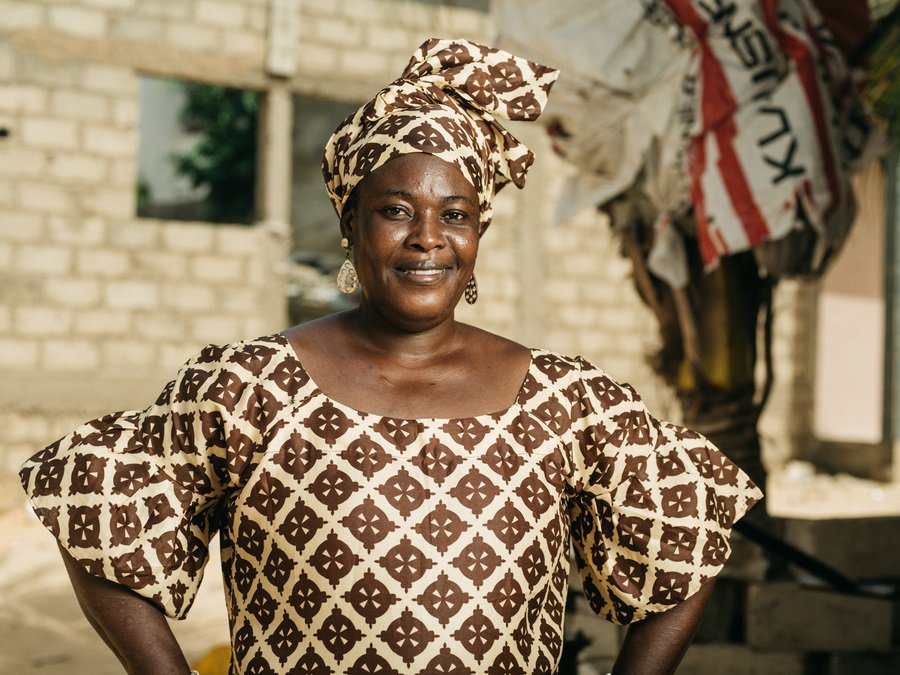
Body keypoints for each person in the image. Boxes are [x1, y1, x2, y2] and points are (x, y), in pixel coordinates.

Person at [20, 38, 761, 675]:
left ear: (478, 233)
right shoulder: (250, 387)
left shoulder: (564, 400)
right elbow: (98, 504)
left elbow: (687, 514)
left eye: (455, 214)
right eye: (396, 209)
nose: (427, 238)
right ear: (350, 223)